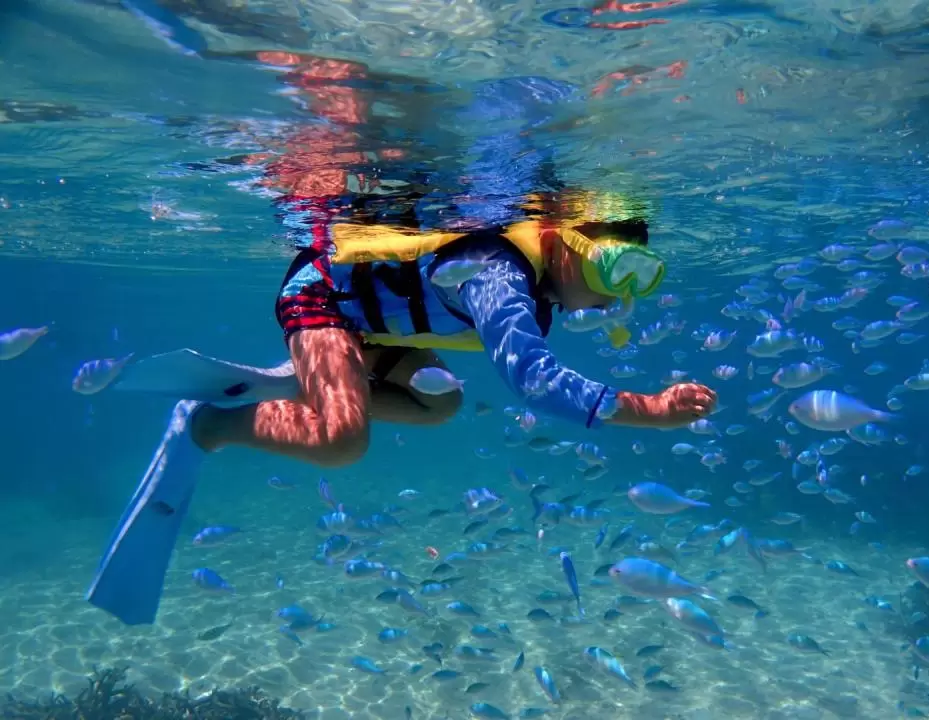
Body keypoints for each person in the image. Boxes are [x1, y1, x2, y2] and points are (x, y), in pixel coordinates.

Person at [86, 55, 717, 626]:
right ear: (563, 240)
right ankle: (208, 425)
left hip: (369, 328)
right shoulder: (498, 273)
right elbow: (534, 381)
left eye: (641, 276)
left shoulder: (536, 278)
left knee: (438, 405)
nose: (621, 294)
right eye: (613, 268)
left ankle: (314, 381)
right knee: (340, 441)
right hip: (322, 300)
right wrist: (651, 411)